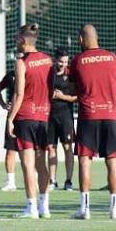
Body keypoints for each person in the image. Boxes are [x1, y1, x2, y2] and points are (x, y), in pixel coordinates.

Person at [68, 25, 116, 219]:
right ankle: (114, 209)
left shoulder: (78, 61)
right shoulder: (113, 58)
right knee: (112, 162)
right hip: (110, 116)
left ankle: (85, 209)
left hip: (88, 116)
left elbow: (73, 89)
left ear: (81, 39)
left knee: (85, 161)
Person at [7, 24, 55, 218]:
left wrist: (10, 119)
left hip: (26, 116)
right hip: (43, 116)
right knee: (41, 163)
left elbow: (19, 94)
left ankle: (31, 207)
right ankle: (45, 206)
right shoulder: (48, 60)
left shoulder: (21, 62)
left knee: (28, 164)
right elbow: (51, 89)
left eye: (17, 38)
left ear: (23, 40)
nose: (16, 42)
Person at [47, 50, 77, 190]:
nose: (63, 64)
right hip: (50, 116)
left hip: (65, 116)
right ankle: (52, 180)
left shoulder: (70, 74)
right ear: (54, 60)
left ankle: (68, 181)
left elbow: (77, 96)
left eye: (66, 62)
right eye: (61, 61)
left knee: (67, 148)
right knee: (51, 148)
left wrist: (62, 97)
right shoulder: (49, 73)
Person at [0, 66, 20, 191]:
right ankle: (11, 182)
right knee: (11, 149)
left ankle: (35, 180)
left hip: (30, 115)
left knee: (34, 151)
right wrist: (4, 104)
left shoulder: (32, 72)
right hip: (13, 117)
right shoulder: (10, 75)